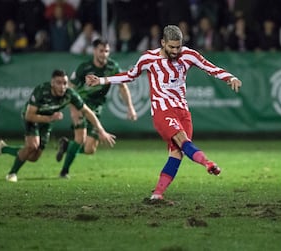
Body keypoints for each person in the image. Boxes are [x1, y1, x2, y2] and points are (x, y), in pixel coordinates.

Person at [85, 25, 242, 201]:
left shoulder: (188, 55)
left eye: (178, 47)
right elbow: (130, 75)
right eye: (171, 47)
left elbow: (209, 67)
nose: (175, 51)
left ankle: (157, 194)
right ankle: (208, 163)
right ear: (163, 43)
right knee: (183, 140)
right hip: (162, 110)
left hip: (183, 111)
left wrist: (230, 77)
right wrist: (102, 80)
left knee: (177, 153)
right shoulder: (148, 58)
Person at [0, 69, 116, 182]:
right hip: (32, 118)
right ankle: (12, 173)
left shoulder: (70, 94)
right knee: (32, 145)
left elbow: (87, 112)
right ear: (52, 83)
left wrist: (101, 131)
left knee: (33, 157)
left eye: (65, 83)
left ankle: (3, 149)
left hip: (48, 121)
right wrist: (50, 118)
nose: (62, 86)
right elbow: (29, 115)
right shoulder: (41, 91)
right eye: (59, 83)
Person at [56, 39, 137, 178]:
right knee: (80, 138)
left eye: (106, 51)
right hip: (81, 105)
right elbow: (70, 88)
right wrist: (72, 109)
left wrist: (130, 107)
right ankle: (64, 171)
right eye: (101, 51)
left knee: (89, 149)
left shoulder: (112, 67)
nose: (104, 54)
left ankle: (66, 146)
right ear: (94, 51)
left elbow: (122, 86)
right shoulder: (84, 68)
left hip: (97, 107)